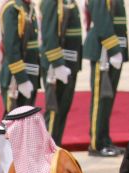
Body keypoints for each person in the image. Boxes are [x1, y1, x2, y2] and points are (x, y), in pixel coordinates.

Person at [84, 0, 128, 157]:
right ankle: (96, 143)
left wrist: (120, 49)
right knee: (100, 100)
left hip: (114, 51)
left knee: (108, 99)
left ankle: (105, 139)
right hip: (104, 51)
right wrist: (114, 48)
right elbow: (101, 20)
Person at [40, 0, 82, 145]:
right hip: (57, 66)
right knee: (53, 112)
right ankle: (47, 152)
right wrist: (57, 64)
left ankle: (55, 148)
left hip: (69, 64)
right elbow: (49, 35)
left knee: (62, 110)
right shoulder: (52, 2)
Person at [0, 0, 41, 113]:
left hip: (30, 74)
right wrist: (21, 79)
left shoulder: (28, 7)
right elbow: (11, 47)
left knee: (25, 123)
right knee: (13, 122)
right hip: (15, 77)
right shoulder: (13, 8)